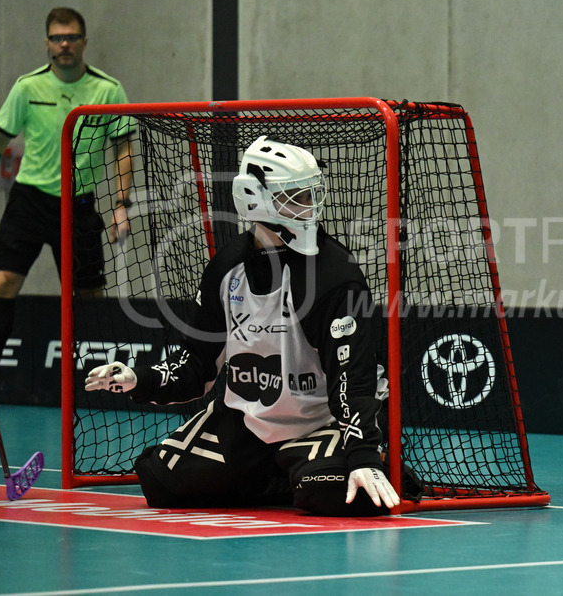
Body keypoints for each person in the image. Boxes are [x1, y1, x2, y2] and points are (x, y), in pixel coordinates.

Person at [85, 136, 400, 516]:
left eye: (310, 194)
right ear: (254, 198)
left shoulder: (334, 275)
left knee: (335, 492)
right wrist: (140, 379)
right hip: (250, 423)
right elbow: (197, 365)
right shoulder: (225, 268)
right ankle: (276, 472)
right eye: (294, 196)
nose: (309, 206)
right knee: (159, 480)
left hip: (320, 422)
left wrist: (364, 455)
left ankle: (293, 470)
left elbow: (354, 378)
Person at [0, 7, 133, 405]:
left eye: (72, 37)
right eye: (57, 37)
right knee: (3, 282)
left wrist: (121, 204)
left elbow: (124, 147)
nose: (64, 44)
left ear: (84, 42)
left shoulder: (108, 90)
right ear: (47, 43)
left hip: (80, 206)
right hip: (30, 201)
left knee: (89, 297)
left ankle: (100, 386)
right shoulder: (26, 87)